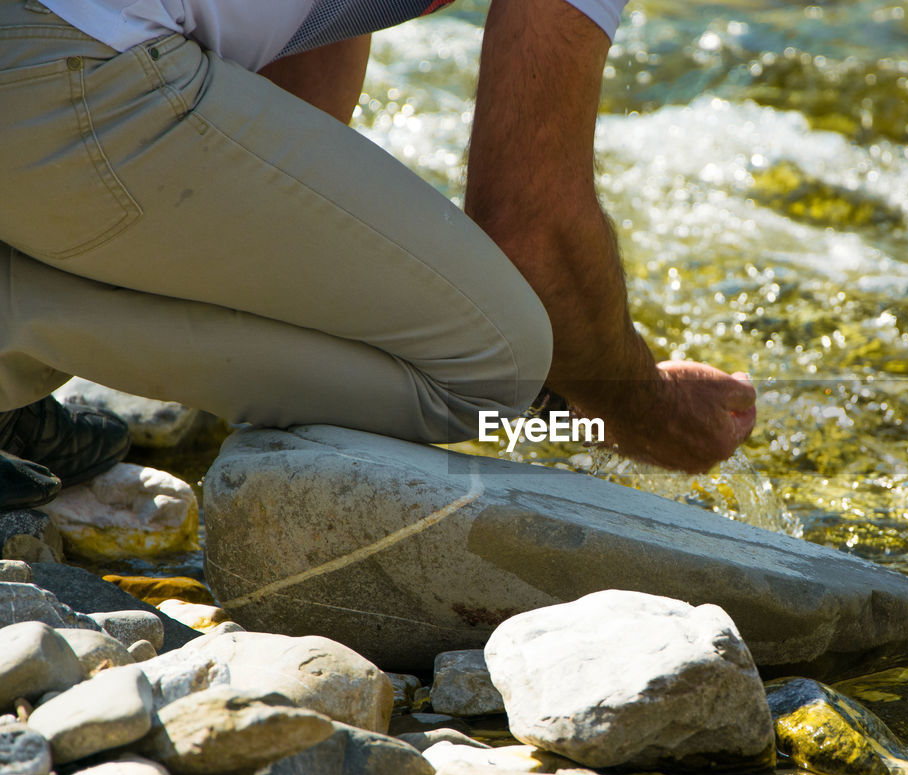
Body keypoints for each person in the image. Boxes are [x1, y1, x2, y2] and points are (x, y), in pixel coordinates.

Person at [0, 0, 757, 513]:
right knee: (496, 362)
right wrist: (635, 408)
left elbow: (290, 96)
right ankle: (14, 334)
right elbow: (534, 230)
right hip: (57, 67)